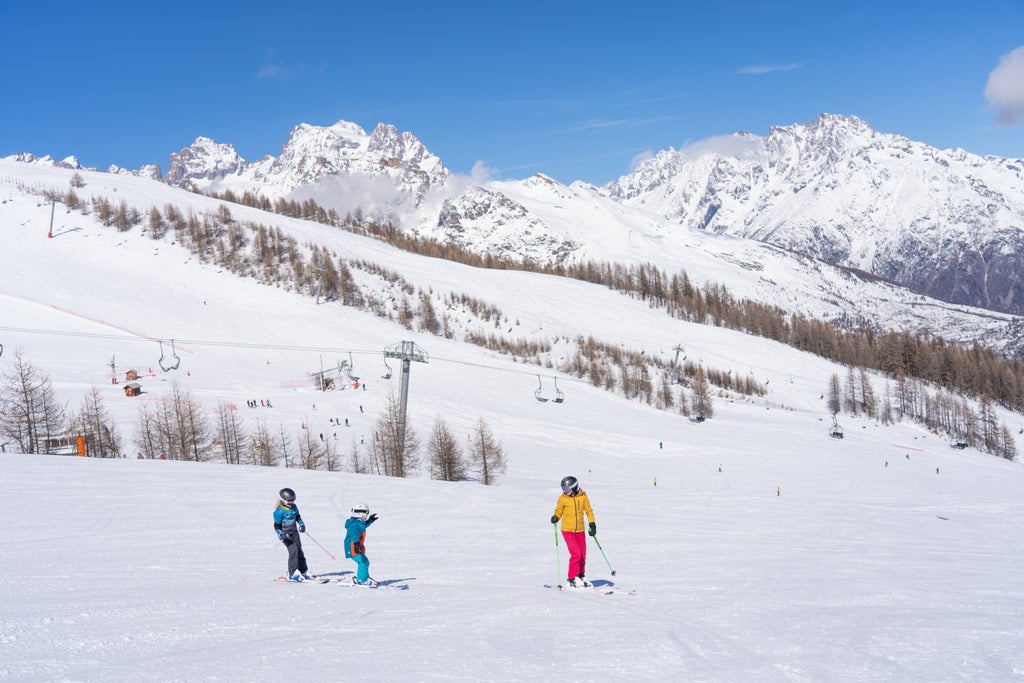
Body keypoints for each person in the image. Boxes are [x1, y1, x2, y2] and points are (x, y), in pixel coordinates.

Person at [551, 476, 596, 588]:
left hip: (580, 530)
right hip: (567, 530)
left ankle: (581, 575)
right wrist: (556, 516)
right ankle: (572, 578)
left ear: (574, 487)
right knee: (576, 553)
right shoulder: (563, 498)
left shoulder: (583, 497)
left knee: (582, 554)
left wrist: (592, 524)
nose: (565, 491)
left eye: (566, 488)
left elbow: (589, 511)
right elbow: (559, 510)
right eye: (563, 489)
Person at [274, 487, 311, 581]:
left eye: (292, 501)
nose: (291, 503)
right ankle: (292, 573)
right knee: (293, 550)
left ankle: (303, 571)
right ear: (283, 500)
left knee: (299, 550)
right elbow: (277, 526)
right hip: (285, 535)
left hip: (294, 532)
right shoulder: (279, 512)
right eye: (289, 501)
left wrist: (301, 524)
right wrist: (280, 534)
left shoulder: (294, 507)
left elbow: (297, 516)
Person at [344, 503, 379, 586]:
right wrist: (356, 544)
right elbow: (354, 534)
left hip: (355, 546)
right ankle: (362, 580)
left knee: (364, 562)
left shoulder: (357, 522)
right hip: (352, 546)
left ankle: (364, 578)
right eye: (367, 513)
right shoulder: (355, 524)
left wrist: (371, 520)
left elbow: (363, 526)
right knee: (363, 562)